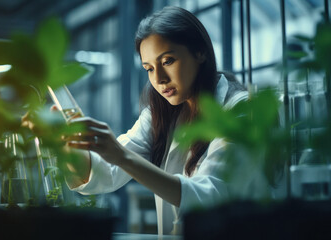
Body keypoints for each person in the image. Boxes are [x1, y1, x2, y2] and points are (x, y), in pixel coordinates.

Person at [63, 6, 249, 235]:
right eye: (149, 68)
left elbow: (210, 193)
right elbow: (106, 172)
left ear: (200, 52)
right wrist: (65, 142)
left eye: (168, 61)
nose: (159, 79)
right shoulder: (159, 115)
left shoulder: (240, 109)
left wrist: (123, 157)